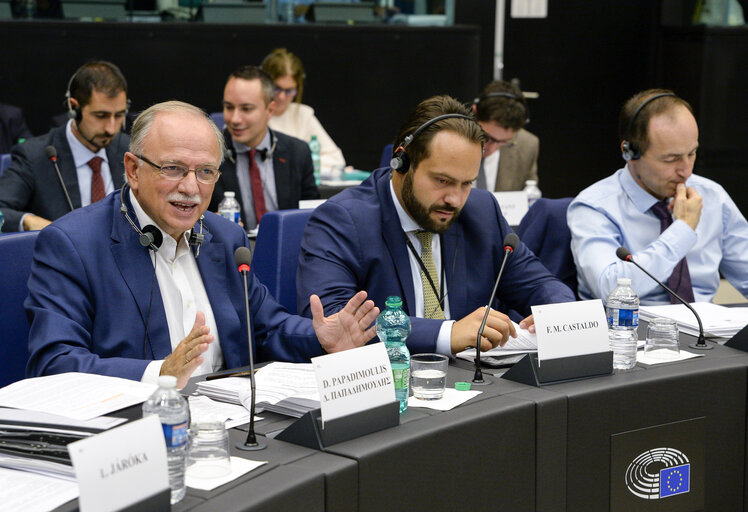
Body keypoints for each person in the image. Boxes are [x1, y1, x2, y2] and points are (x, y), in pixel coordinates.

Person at [25, 101, 379, 389]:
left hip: (232, 425)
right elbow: (54, 364)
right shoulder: (73, 244)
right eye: (174, 168)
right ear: (133, 170)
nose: (191, 188)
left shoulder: (225, 238)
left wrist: (320, 338)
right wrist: (159, 374)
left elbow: (266, 327)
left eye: (206, 172)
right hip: (136, 435)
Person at [296, 95, 575, 356]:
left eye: (466, 183)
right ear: (402, 161)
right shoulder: (343, 220)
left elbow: (540, 283)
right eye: (442, 180)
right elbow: (336, 323)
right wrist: (446, 333)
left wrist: (558, 313)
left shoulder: (481, 210)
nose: (455, 199)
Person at [568, 89, 748, 304]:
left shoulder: (712, 196)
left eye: (691, 153)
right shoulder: (594, 207)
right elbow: (610, 289)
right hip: (627, 331)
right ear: (630, 153)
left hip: (707, 330)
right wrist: (683, 229)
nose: (686, 171)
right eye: (671, 159)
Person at [0, 61, 129, 232]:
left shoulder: (131, 149)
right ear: (74, 108)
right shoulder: (35, 156)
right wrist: (28, 221)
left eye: (119, 115)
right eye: (101, 116)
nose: (111, 128)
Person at [209, 65, 320, 230]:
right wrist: (210, 222)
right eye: (229, 107)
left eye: (246, 109)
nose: (234, 119)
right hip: (235, 253)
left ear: (270, 110)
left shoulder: (297, 152)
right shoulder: (209, 153)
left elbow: (312, 216)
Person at [261, 48, 346, 173]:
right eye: (277, 88)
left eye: (289, 91)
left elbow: (337, 160)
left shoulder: (303, 114)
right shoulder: (254, 114)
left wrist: (297, 163)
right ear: (265, 84)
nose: (282, 97)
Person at [472, 80, 539, 192]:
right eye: (486, 137)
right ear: (474, 113)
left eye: (503, 142)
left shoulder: (527, 145)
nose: (492, 149)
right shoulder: (446, 140)